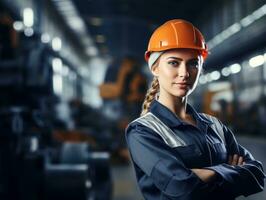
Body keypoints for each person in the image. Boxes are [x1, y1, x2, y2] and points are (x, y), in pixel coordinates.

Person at [125, 19, 265, 200]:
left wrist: (204, 174)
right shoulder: (142, 131)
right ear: (155, 67)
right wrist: (229, 170)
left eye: (193, 63)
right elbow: (181, 187)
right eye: (174, 63)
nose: (184, 73)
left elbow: (257, 174)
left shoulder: (215, 125)